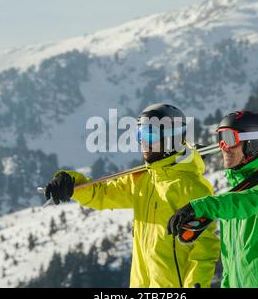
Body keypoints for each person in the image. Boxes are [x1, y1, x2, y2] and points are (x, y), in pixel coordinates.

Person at [44, 103, 220, 288]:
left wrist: (195, 285)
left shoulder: (192, 188)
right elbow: (102, 193)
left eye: (148, 134)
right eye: (139, 134)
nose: (142, 141)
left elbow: (204, 249)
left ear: (171, 139)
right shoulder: (143, 179)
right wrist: (71, 183)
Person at [168, 111, 258, 288]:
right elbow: (230, 263)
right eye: (221, 138)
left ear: (252, 143)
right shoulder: (232, 197)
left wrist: (199, 207)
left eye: (230, 139)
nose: (224, 146)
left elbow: (250, 202)